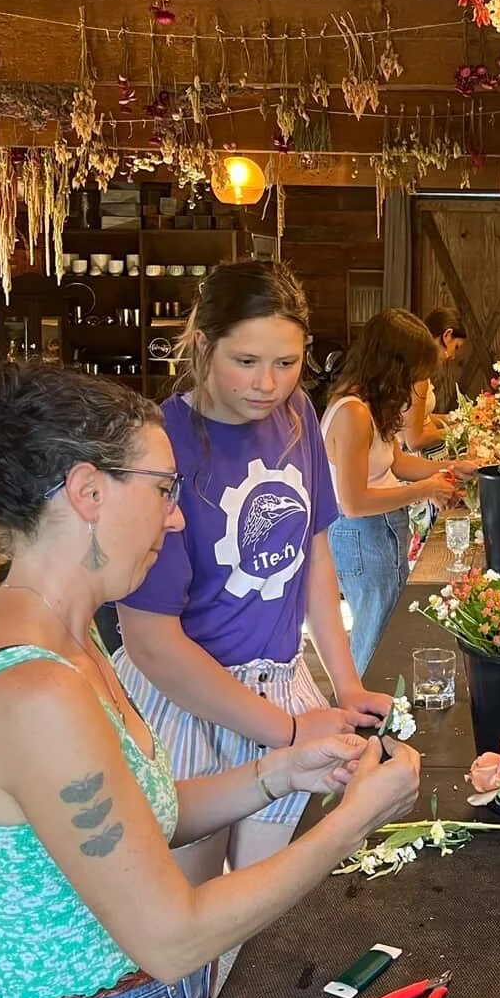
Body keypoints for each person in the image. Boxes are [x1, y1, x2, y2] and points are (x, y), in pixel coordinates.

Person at [0, 364, 420, 998]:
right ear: (88, 491)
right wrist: (351, 822)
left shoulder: (64, 640)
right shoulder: (32, 690)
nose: (175, 521)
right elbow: (172, 934)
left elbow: (142, 817)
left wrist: (280, 772)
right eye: (165, 488)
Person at [114, 260, 392, 885]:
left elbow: (314, 559)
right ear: (203, 344)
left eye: (287, 362)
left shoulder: (297, 421)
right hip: (188, 705)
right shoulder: (159, 446)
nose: (269, 383)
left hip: (282, 684)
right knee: (198, 922)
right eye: (246, 361)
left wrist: (345, 686)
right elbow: (152, 647)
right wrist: (289, 731)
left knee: (273, 923)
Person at [322, 309, 471, 676]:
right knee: (373, 639)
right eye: (414, 373)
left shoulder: (371, 407)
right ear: (393, 365)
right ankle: (358, 721)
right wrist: (423, 490)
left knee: (386, 629)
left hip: (381, 529)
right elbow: (354, 502)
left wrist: (450, 467)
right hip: (362, 533)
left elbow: (397, 462)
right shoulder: (352, 413)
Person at [401, 307, 468, 454]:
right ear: (447, 335)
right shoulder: (419, 375)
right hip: (413, 460)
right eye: (456, 347)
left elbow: (417, 418)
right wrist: (455, 431)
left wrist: (451, 418)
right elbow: (414, 441)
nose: (453, 356)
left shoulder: (418, 367)